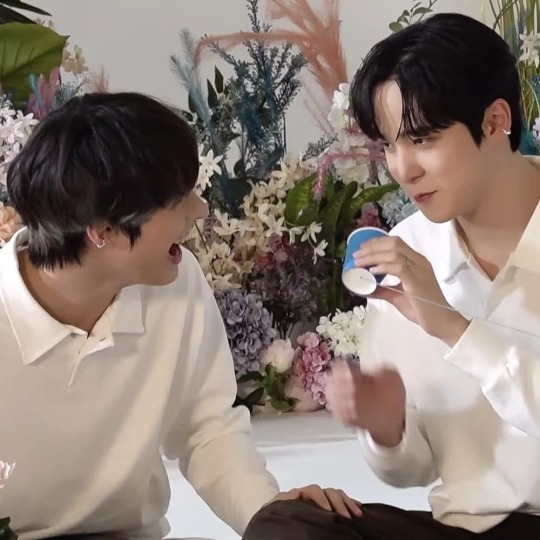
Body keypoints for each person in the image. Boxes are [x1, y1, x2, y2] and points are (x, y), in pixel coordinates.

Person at [0, 92, 362, 539]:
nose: (201, 210)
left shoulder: (177, 282)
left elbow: (206, 428)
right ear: (104, 231)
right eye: (178, 199)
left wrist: (270, 517)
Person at [243, 12, 540, 540]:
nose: (403, 169)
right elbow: (412, 471)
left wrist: (454, 329)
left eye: (422, 139)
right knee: (286, 525)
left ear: (496, 121)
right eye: (388, 145)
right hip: (465, 527)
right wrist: (387, 426)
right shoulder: (404, 252)